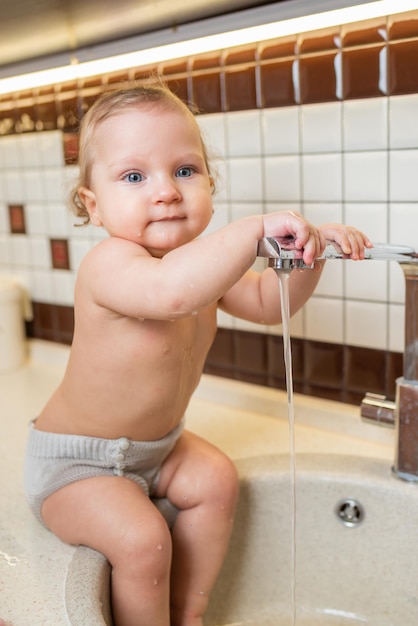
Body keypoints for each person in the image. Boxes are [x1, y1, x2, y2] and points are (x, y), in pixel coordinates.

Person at [23, 82, 372, 626]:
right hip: (79, 463)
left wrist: (310, 255)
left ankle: (190, 612)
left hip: (156, 450)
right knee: (143, 543)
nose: (165, 192)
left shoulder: (197, 261)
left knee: (216, 481)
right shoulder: (111, 265)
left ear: (210, 181)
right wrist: (252, 230)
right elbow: (171, 293)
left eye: (184, 170)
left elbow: (265, 302)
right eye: (134, 177)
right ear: (94, 205)